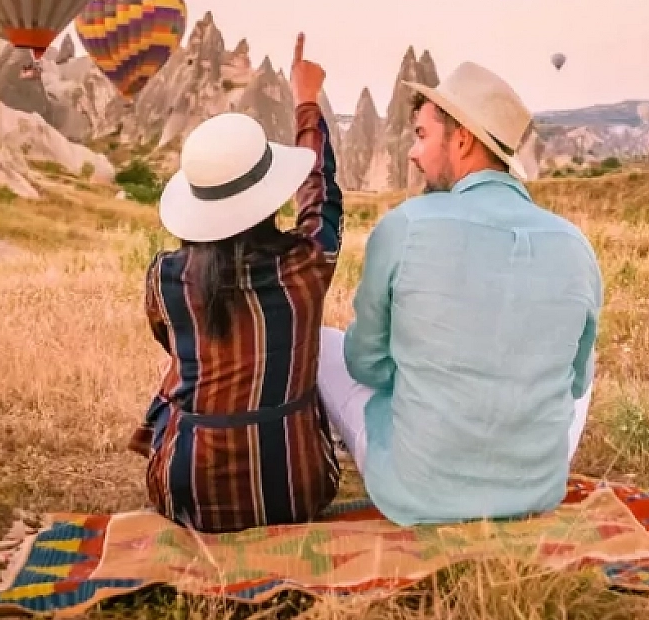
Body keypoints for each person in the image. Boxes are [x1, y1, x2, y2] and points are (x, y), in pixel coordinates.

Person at [317, 61, 603, 525]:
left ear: (464, 139)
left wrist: (424, 370)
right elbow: (573, 383)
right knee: (582, 364)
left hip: (417, 492)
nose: (412, 152)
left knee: (318, 345)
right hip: (537, 488)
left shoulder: (404, 226)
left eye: (422, 135)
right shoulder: (576, 245)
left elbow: (363, 363)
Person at [128, 34, 343, 532]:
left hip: (190, 498)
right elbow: (323, 194)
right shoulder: (307, 266)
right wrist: (306, 101)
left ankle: (155, 439)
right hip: (297, 492)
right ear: (268, 196)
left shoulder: (167, 278)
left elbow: (172, 344)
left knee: (185, 368)